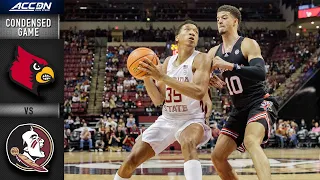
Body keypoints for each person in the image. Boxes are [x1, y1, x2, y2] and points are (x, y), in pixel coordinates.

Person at [114, 20, 212, 180]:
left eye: (196, 31)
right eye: (188, 30)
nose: (192, 33)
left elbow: (199, 92)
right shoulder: (168, 62)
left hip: (192, 119)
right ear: (177, 38)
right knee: (132, 159)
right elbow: (158, 100)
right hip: (167, 119)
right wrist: (146, 78)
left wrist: (162, 77)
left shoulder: (202, 59)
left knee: (188, 142)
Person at [208, 5, 279, 180]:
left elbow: (260, 72)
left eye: (224, 17)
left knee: (251, 141)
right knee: (217, 157)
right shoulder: (213, 52)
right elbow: (198, 74)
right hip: (238, 109)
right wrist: (208, 79)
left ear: (235, 21)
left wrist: (230, 66)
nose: (220, 21)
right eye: (218, 19)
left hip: (259, 101)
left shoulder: (247, 43)